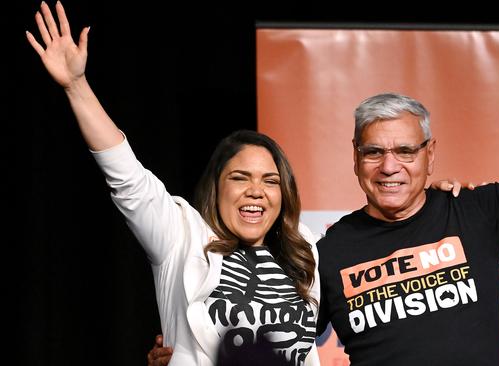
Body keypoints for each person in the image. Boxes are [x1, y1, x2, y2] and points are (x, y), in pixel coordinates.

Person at [26, 2, 322, 365]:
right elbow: (126, 175)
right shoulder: (179, 235)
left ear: (284, 192)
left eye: (270, 181)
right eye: (239, 178)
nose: (256, 190)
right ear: (217, 187)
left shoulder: (305, 249)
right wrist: (76, 86)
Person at [313, 47, 499, 364]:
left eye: (405, 151)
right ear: (356, 158)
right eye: (373, 152)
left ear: (430, 155)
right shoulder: (328, 253)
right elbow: (276, 340)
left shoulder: (474, 210)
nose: (389, 166)